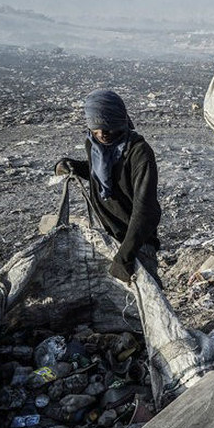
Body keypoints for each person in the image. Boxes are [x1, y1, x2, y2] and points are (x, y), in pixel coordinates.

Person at [55, 89, 162, 285]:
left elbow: (146, 210)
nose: (102, 134)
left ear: (120, 121)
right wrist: (74, 167)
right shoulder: (96, 147)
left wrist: (124, 257)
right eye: (96, 128)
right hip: (110, 236)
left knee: (147, 292)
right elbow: (102, 173)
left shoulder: (139, 153)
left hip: (136, 241)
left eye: (108, 127)